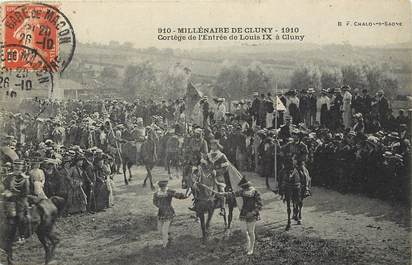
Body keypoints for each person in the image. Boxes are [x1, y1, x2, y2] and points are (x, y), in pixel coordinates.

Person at [220, 177, 262, 255]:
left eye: (244, 187)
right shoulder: (242, 192)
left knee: (251, 232)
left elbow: (260, 205)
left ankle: (251, 249)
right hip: (244, 213)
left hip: (252, 215)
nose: (243, 188)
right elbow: (233, 194)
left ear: (247, 186)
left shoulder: (255, 192)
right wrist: (224, 194)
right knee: (243, 230)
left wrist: (253, 212)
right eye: (243, 187)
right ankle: (248, 241)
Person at [152, 180, 187, 248]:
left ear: (166, 186)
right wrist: (159, 206)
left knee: (164, 230)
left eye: (164, 186)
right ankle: (169, 238)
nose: (163, 188)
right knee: (159, 229)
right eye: (162, 187)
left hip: (169, 212)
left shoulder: (169, 192)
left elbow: (178, 195)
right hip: (161, 213)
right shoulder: (156, 193)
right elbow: (154, 202)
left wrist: (184, 196)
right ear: (159, 187)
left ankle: (165, 245)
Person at [3, 159, 30, 244]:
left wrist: (13, 194)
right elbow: (4, 186)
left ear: (22, 167)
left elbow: (26, 193)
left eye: (19, 165)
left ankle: (21, 236)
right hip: (8, 199)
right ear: (13, 166)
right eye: (16, 165)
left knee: (19, 216)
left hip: (20, 200)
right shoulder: (9, 176)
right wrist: (5, 192)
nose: (17, 167)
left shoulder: (24, 178)